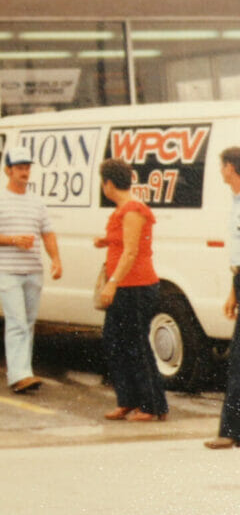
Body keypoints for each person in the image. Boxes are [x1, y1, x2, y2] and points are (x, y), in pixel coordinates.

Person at [0, 145, 63, 393]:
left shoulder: (36, 202)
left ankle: (25, 371)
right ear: (8, 171)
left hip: (33, 270)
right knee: (17, 322)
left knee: (29, 322)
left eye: (27, 168)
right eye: (20, 168)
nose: (24, 172)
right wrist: (12, 240)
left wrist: (55, 259)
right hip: (7, 270)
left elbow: (48, 232)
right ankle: (18, 375)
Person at [94, 158, 168, 423]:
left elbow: (132, 251)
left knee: (135, 344)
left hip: (135, 286)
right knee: (115, 342)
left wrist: (112, 282)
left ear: (109, 183)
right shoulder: (123, 210)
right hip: (125, 285)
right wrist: (107, 240)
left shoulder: (133, 210)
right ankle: (128, 400)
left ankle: (151, 404)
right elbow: (124, 241)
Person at [206, 146, 240, 448]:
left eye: (221, 166)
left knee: (238, 360)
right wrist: (233, 290)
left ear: (231, 168)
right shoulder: (235, 200)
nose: (220, 172)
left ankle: (230, 431)